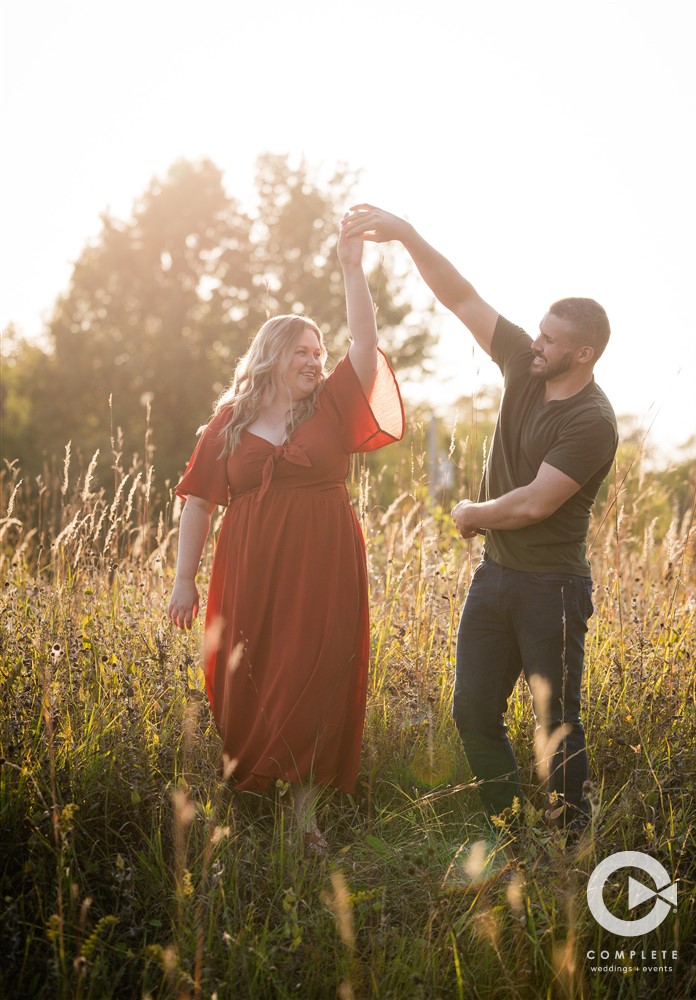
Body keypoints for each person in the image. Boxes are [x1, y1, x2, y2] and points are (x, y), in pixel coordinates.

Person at [342, 205, 618, 836]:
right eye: (539, 333)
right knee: (472, 712)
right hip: (496, 580)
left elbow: (533, 503)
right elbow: (459, 296)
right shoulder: (525, 363)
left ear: (584, 352)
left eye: (550, 340)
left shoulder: (592, 421)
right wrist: (408, 236)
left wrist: (471, 512)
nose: (536, 343)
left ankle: (571, 844)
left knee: (557, 724)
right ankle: (508, 825)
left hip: (554, 589)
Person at [168, 224, 404, 851]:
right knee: (245, 673)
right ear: (271, 355)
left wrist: (352, 269)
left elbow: (366, 342)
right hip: (249, 566)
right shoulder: (231, 420)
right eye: (302, 350)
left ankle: (303, 817)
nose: (314, 360)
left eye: (318, 352)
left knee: (317, 670)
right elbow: (196, 502)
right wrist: (184, 577)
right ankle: (249, 798)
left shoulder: (331, 404)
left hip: (323, 563)